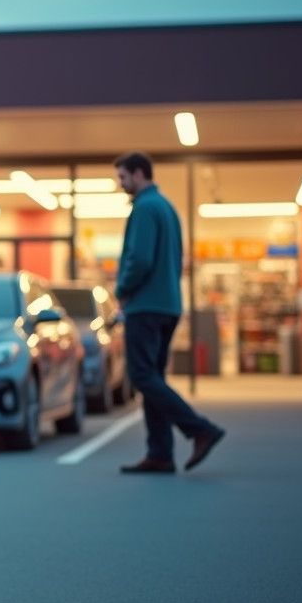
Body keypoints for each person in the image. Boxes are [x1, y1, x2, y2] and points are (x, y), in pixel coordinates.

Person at [113, 151, 226, 474]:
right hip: (168, 304)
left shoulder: (145, 208)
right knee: (153, 378)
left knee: (141, 375)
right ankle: (160, 454)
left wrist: (121, 290)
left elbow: (140, 259)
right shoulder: (167, 208)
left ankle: (199, 429)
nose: (121, 184)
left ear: (138, 174)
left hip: (145, 306)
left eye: (123, 177)